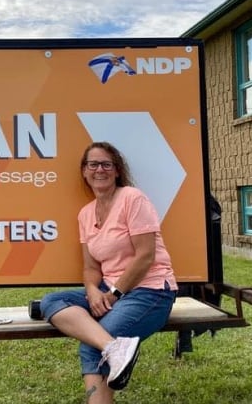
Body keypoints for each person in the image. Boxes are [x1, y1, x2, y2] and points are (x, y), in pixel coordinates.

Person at [39, 141, 178, 404]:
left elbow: (145, 255)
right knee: (51, 301)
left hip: (151, 292)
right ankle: (116, 349)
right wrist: (92, 291)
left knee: (94, 342)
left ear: (117, 171)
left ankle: (108, 361)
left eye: (106, 164)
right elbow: (91, 267)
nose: (99, 169)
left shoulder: (132, 198)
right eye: (93, 164)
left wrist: (113, 294)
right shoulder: (85, 214)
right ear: (84, 171)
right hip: (109, 290)